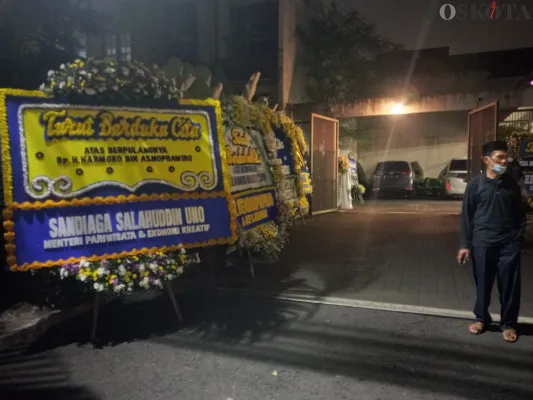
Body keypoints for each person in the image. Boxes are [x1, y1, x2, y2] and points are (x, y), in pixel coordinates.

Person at [457, 140, 526, 343]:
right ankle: (481, 318)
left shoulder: (511, 184)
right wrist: (464, 245)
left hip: (508, 245)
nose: (504, 161)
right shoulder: (475, 186)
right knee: (483, 284)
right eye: (499, 158)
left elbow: (520, 214)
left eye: (506, 158)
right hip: (483, 243)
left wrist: (518, 237)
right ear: (486, 160)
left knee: (510, 286)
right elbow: (467, 217)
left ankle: (508, 323)